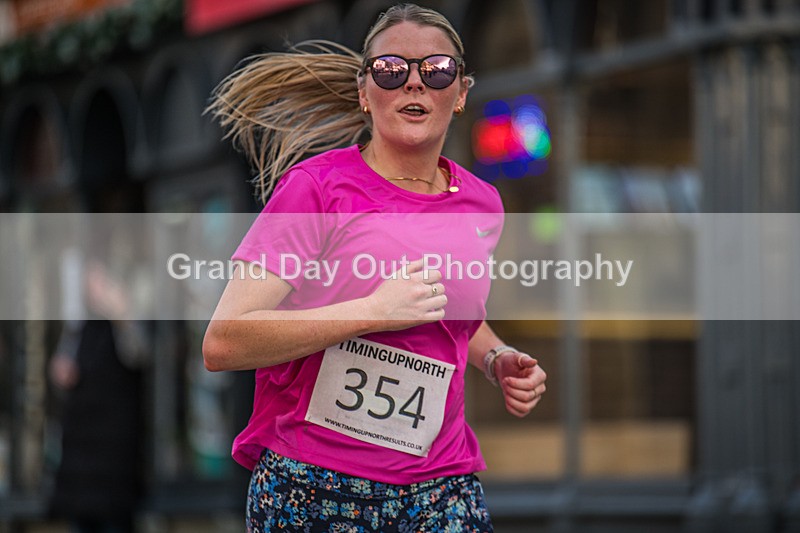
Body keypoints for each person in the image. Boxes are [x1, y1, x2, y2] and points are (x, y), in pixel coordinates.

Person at [203, 4, 547, 531]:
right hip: (316, 485)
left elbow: (449, 311)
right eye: (392, 70)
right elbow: (225, 341)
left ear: (460, 95)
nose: (415, 84)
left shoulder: (482, 205)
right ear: (366, 93)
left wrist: (494, 356)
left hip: (441, 485)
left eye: (436, 71)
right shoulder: (315, 189)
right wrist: (370, 311)